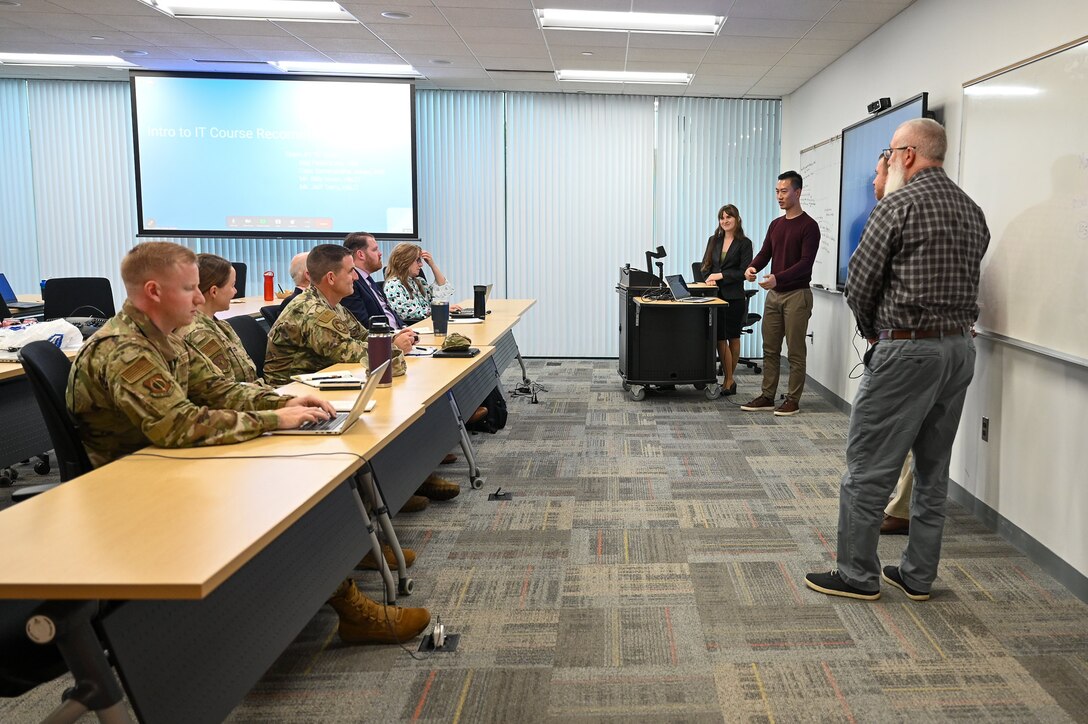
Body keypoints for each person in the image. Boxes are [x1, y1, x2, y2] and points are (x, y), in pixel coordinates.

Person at [67, 241, 429, 644]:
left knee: (296, 473)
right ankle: (351, 609)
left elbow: (219, 389)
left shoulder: (165, 337)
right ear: (154, 292)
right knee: (278, 493)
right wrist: (274, 418)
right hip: (139, 485)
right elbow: (177, 425)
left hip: (170, 463)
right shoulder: (125, 350)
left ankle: (337, 565)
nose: (200, 296)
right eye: (190, 288)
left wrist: (286, 401)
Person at [805, 118, 989, 602]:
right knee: (932, 470)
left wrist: (875, 336)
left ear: (908, 155)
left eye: (889, 153)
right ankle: (917, 575)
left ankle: (856, 575)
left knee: (868, 467)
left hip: (907, 349)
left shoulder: (896, 205)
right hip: (959, 351)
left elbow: (860, 285)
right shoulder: (973, 211)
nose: (886, 162)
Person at [265, 244, 459, 503]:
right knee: (380, 413)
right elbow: (351, 352)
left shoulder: (333, 305)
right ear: (331, 278)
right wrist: (392, 348)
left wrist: (393, 340)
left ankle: (405, 481)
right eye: (350, 272)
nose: (356, 277)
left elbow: (363, 337)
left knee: (394, 403)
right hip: (297, 394)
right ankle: (390, 492)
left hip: (327, 381)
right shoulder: (312, 311)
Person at [740, 171, 820, 416]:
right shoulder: (776, 224)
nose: (779, 196)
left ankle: (793, 400)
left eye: (784, 191)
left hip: (797, 295)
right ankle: (767, 396)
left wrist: (778, 278)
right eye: (777, 191)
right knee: (770, 349)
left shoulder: (809, 226)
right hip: (774, 296)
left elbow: (806, 264)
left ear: (798, 192)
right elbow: (765, 253)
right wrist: (752, 267)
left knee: (795, 351)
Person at [699, 204, 754, 396]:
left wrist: (720, 275)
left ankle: (729, 379)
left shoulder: (744, 243)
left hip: (734, 297)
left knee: (733, 337)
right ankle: (729, 379)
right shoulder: (713, 240)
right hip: (715, 296)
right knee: (720, 339)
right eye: (722, 218)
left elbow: (743, 272)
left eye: (728, 217)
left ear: (737, 219)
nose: (725, 221)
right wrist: (708, 278)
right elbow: (705, 265)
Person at [184, 253, 261, 384]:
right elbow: (227, 389)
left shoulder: (220, 325)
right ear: (214, 291)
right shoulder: (200, 335)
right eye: (232, 285)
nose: (235, 291)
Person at [341, 232, 417, 355]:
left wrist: (404, 329)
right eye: (375, 249)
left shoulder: (369, 281)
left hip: (397, 339)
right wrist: (394, 338)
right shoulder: (352, 284)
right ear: (361, 254)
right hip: (384, 344)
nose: (380, 253)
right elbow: (363, 325)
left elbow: (389, 313)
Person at [383, 243, 462, 324]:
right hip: (413, 328)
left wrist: (432, 265)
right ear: (405, 261)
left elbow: (443, 290)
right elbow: (407, 313)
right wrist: (440, 310)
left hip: (428, 324)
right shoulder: (393, 284)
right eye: (418, 260)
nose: (421, 264)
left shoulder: (420, 281)